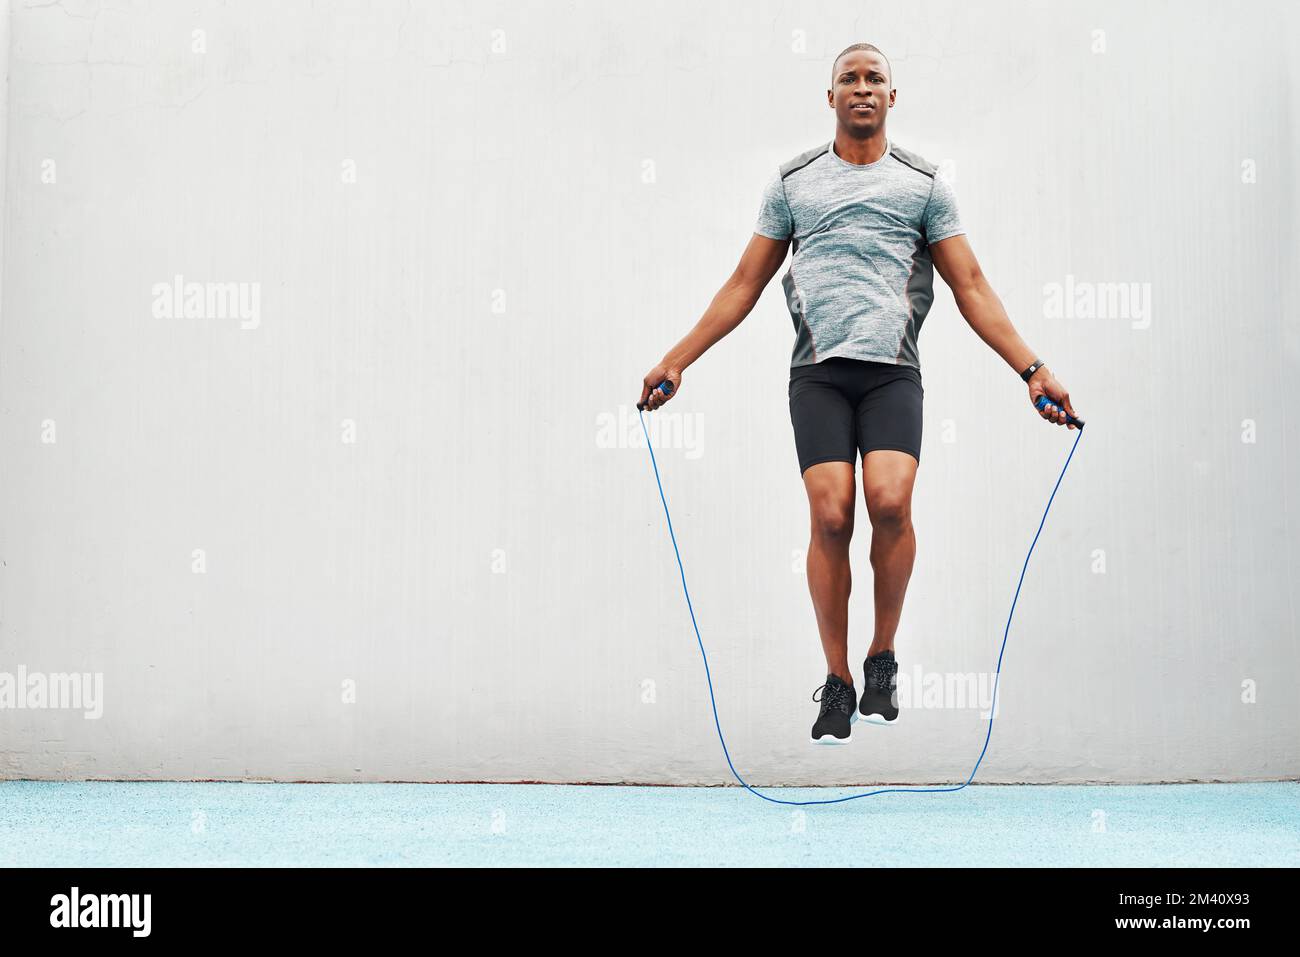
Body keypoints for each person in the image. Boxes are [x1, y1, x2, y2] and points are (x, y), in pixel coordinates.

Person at [638, 42, 1081, 745]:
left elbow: (972, 287)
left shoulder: (925, 185)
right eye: (850, 78)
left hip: (891, 373)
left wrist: (1034, 370)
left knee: (890, 500)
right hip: (817, 373)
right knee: (832, 512)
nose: (863, 88)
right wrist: (677, 358)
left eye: (876, 78)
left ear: (893, 98)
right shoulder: (793, 184)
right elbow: (743, 284)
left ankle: (882, 657)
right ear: (832, 97)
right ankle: (837, 679)